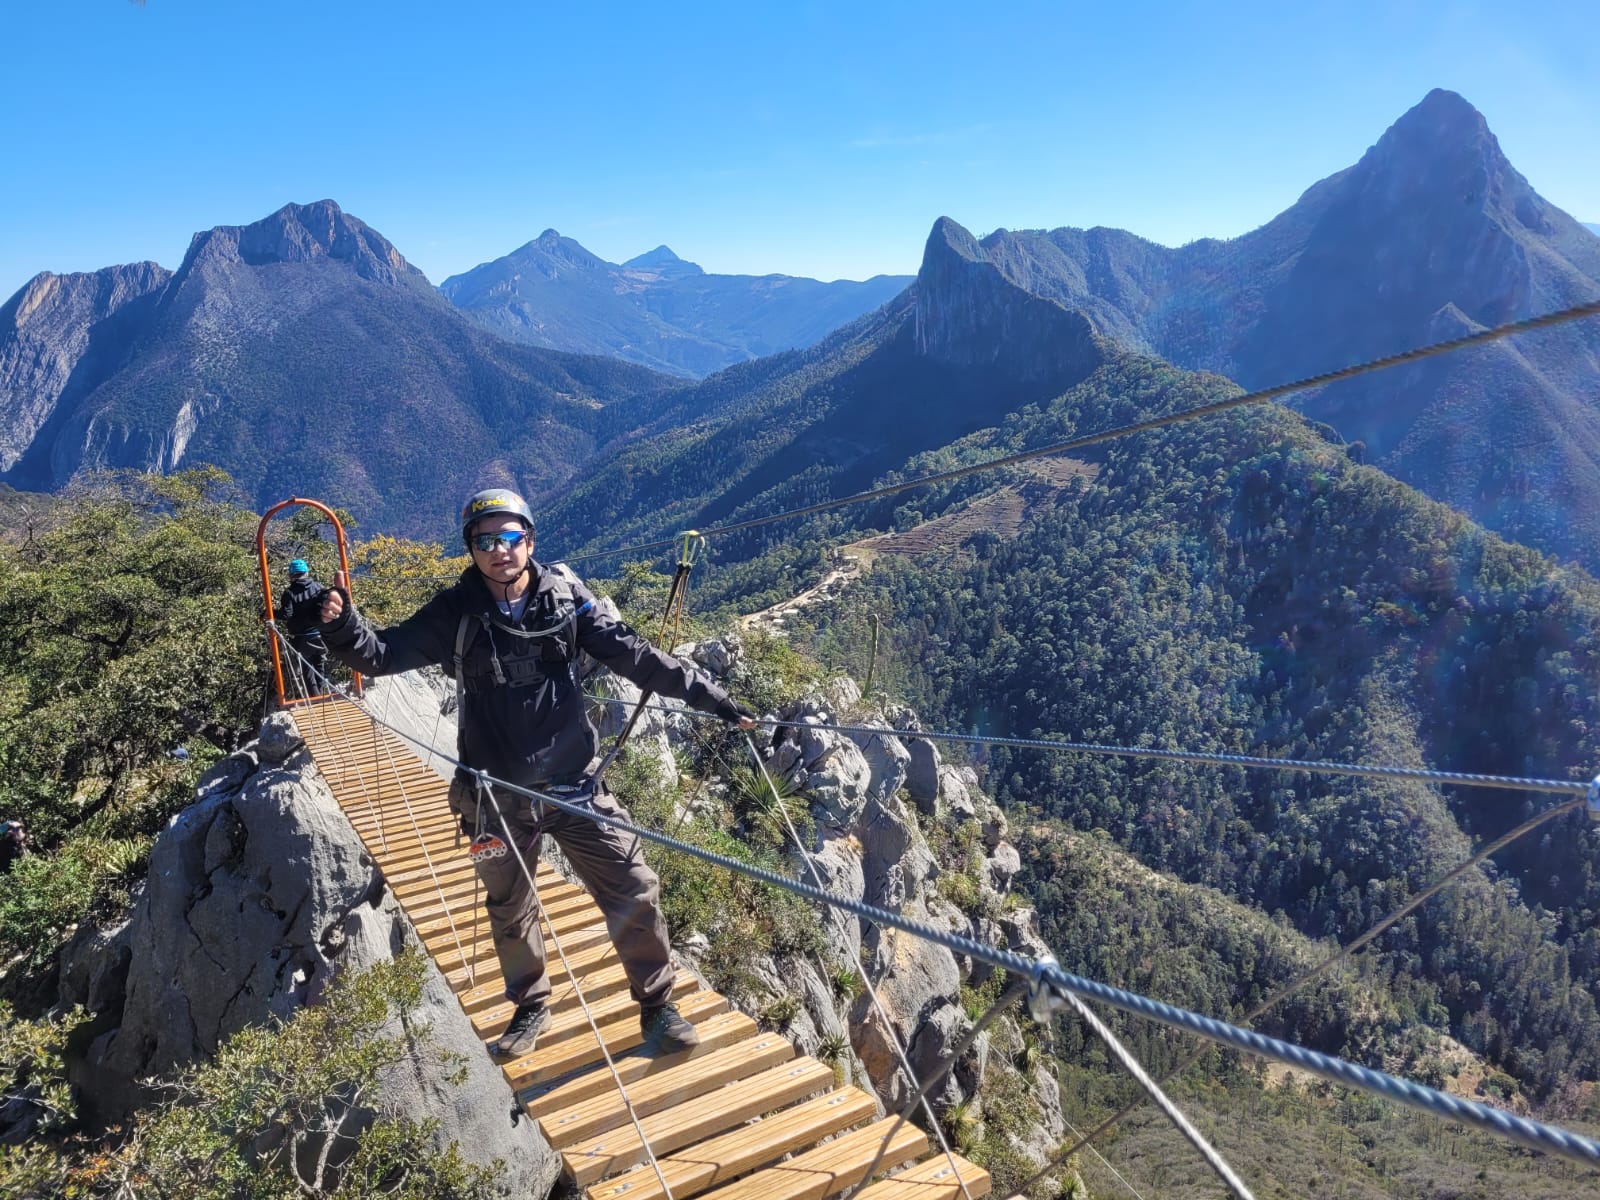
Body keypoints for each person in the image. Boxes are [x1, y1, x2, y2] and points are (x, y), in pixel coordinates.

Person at [317, 488, 755, 1057]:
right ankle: (531, 1006)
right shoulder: (456, 611)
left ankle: (657, 1006)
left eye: (511, 537)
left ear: (531, 540)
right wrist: (341, 625)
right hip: (493, 796)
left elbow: (639, 658)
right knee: (509, 904)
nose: (500, 550)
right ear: (471, 549)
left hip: (576, 786)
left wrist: (714, 698)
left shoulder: (566, 601)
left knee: (634, 887)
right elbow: (382, 656)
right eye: (486, 540)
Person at [275, 559, 330, 694]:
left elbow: (286, 614)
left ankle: (315, 699)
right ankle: (322, 696)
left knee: (307, 670)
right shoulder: (318, 587)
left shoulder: (289, 593)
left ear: (291, 575)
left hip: (302, 638)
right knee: (319, 665)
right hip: (321, 634)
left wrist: (271, 612)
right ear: (306, 572)